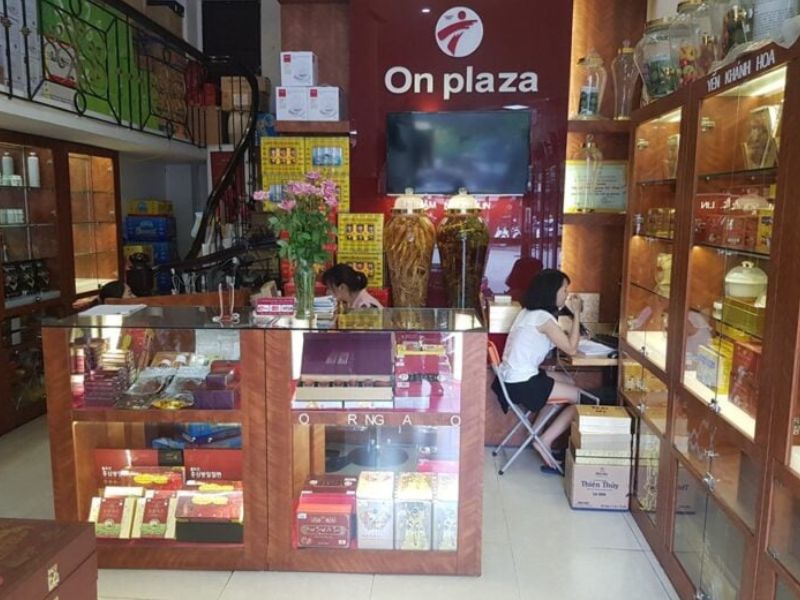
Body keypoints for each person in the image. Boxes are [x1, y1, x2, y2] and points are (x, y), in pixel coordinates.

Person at [491, 268, 583, 473]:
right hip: (523, 384)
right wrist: (577, 313)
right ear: (552, 292)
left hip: (510, 380)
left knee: (567, 382)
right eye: (564, 290)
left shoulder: (528, 313)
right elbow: (571, 349)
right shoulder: (543, 318)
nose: (567, 295)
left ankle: (536, 433)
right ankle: (545, 440)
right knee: (580, 399)